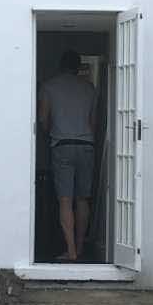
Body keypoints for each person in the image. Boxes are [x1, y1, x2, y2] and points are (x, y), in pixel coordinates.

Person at [38, 49, 99, 263]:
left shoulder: (49, 87)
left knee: (65, 200)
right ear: (78, 66)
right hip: (86, 146)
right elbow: (93, 124)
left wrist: (55, 131)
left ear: (60, 65)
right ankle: (81, 247)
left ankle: (70, 251)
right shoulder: (89, 88)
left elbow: (43, 121)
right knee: (83, 199)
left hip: (62, 145)